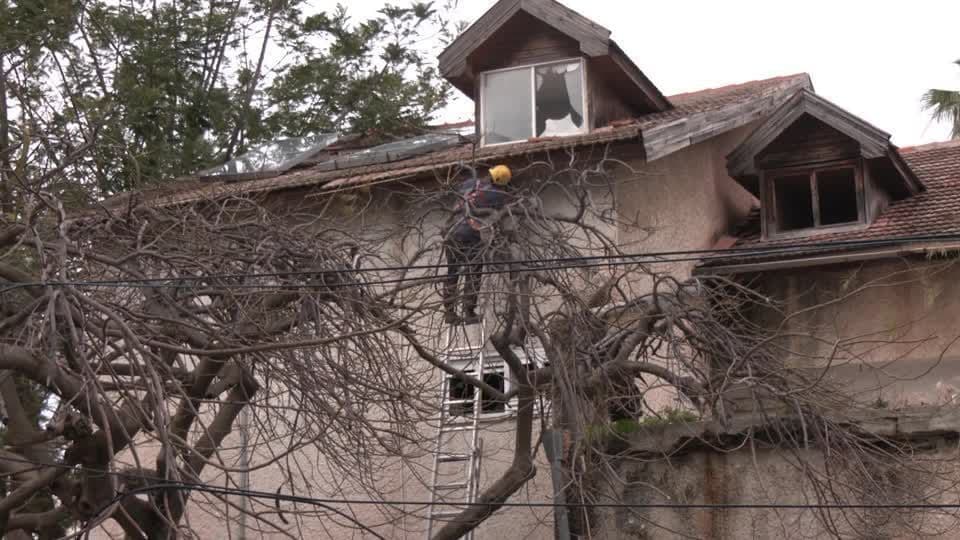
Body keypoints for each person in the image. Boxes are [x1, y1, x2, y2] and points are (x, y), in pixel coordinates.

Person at [442, 164, 512, 325]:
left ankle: (449, 313)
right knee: (474, 271)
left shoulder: (470, 183)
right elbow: (499, 214)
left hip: (450, 233)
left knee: (452, 272)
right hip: (469, 234)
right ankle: (469, 312)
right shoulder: (497, 194)